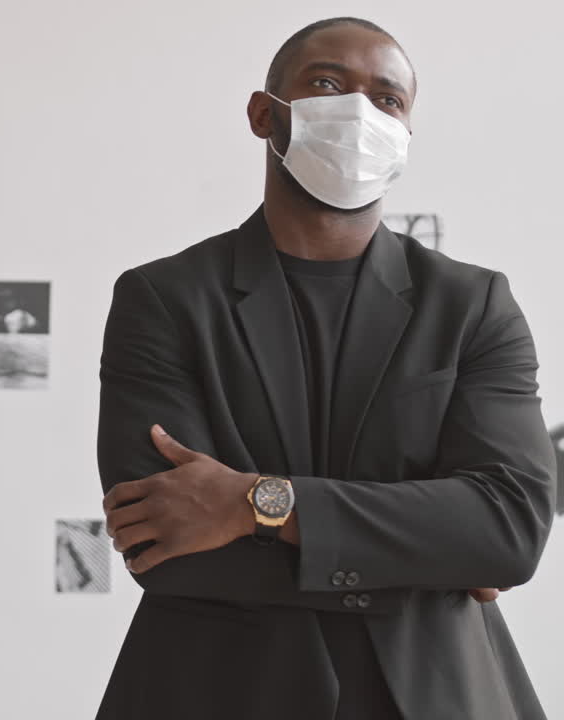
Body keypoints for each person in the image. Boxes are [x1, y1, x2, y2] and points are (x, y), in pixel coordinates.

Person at [95, 17, 554, 720]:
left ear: (404, 137)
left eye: (387, 98)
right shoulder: (164, 299)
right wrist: (435, 556)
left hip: (436, 693)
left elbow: (509, 530)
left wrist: (254, 502)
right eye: (328, 84)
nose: (359, 112)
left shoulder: (472, 304)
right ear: (263, 113)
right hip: (217, 691)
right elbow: (165, 545)